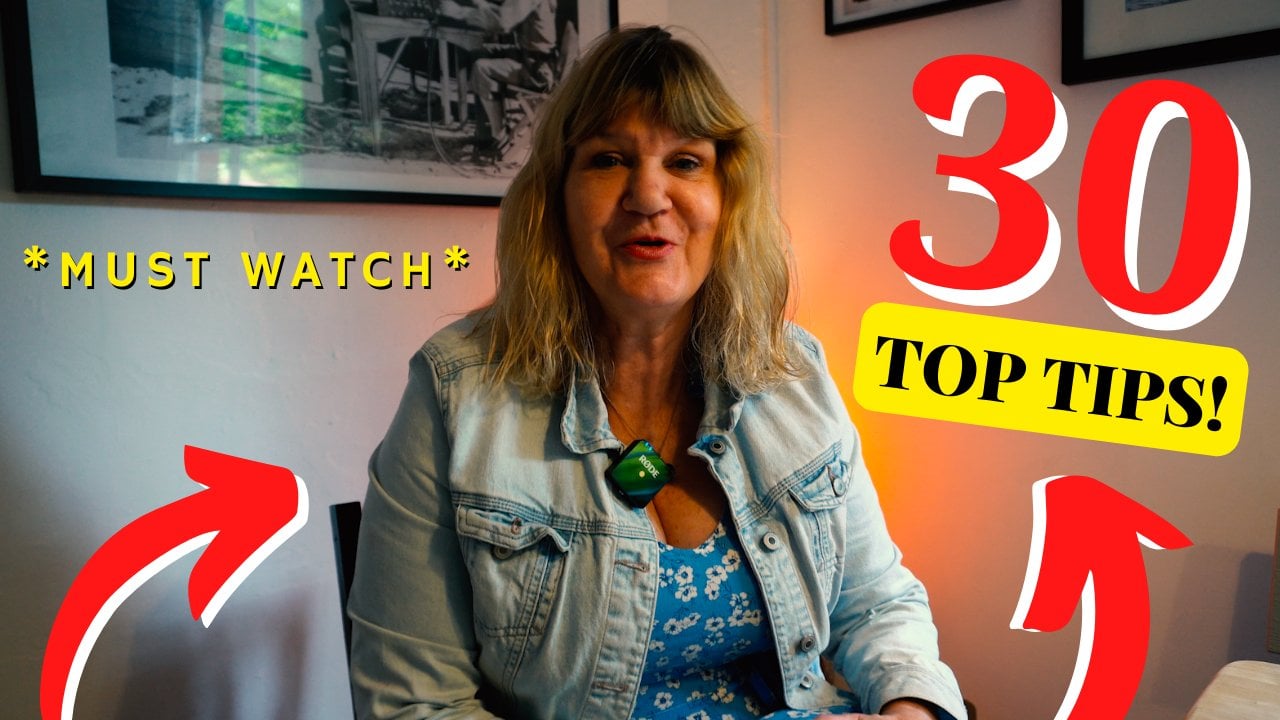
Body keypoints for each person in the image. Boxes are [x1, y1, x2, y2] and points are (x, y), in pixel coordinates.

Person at [347, 25, 967, 720]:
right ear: (556, 197)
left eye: (686, 161)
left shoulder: (793, 369)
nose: (648, 195)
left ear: (727, 195)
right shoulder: (455, 391)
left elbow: (879, 603)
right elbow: (413, 704)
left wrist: (912, 707)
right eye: (609, 159)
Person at [438, 0, 559, 155]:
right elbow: (511, 12)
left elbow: (503, 23)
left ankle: (498, 136)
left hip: (535, 72)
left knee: (481, 68)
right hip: (533, 60)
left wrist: (458, 12)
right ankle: (484, 134)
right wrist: (484, 5)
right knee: (480, 52)